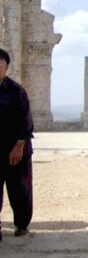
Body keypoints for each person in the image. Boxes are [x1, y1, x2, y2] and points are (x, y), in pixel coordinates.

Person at [0, 48, 34, 242]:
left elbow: (26, 122)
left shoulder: (17, 91)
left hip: (16, 150)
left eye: (0, 65)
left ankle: (21, 225)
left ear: (6, 67)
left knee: (19, 189)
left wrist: (19, 146)